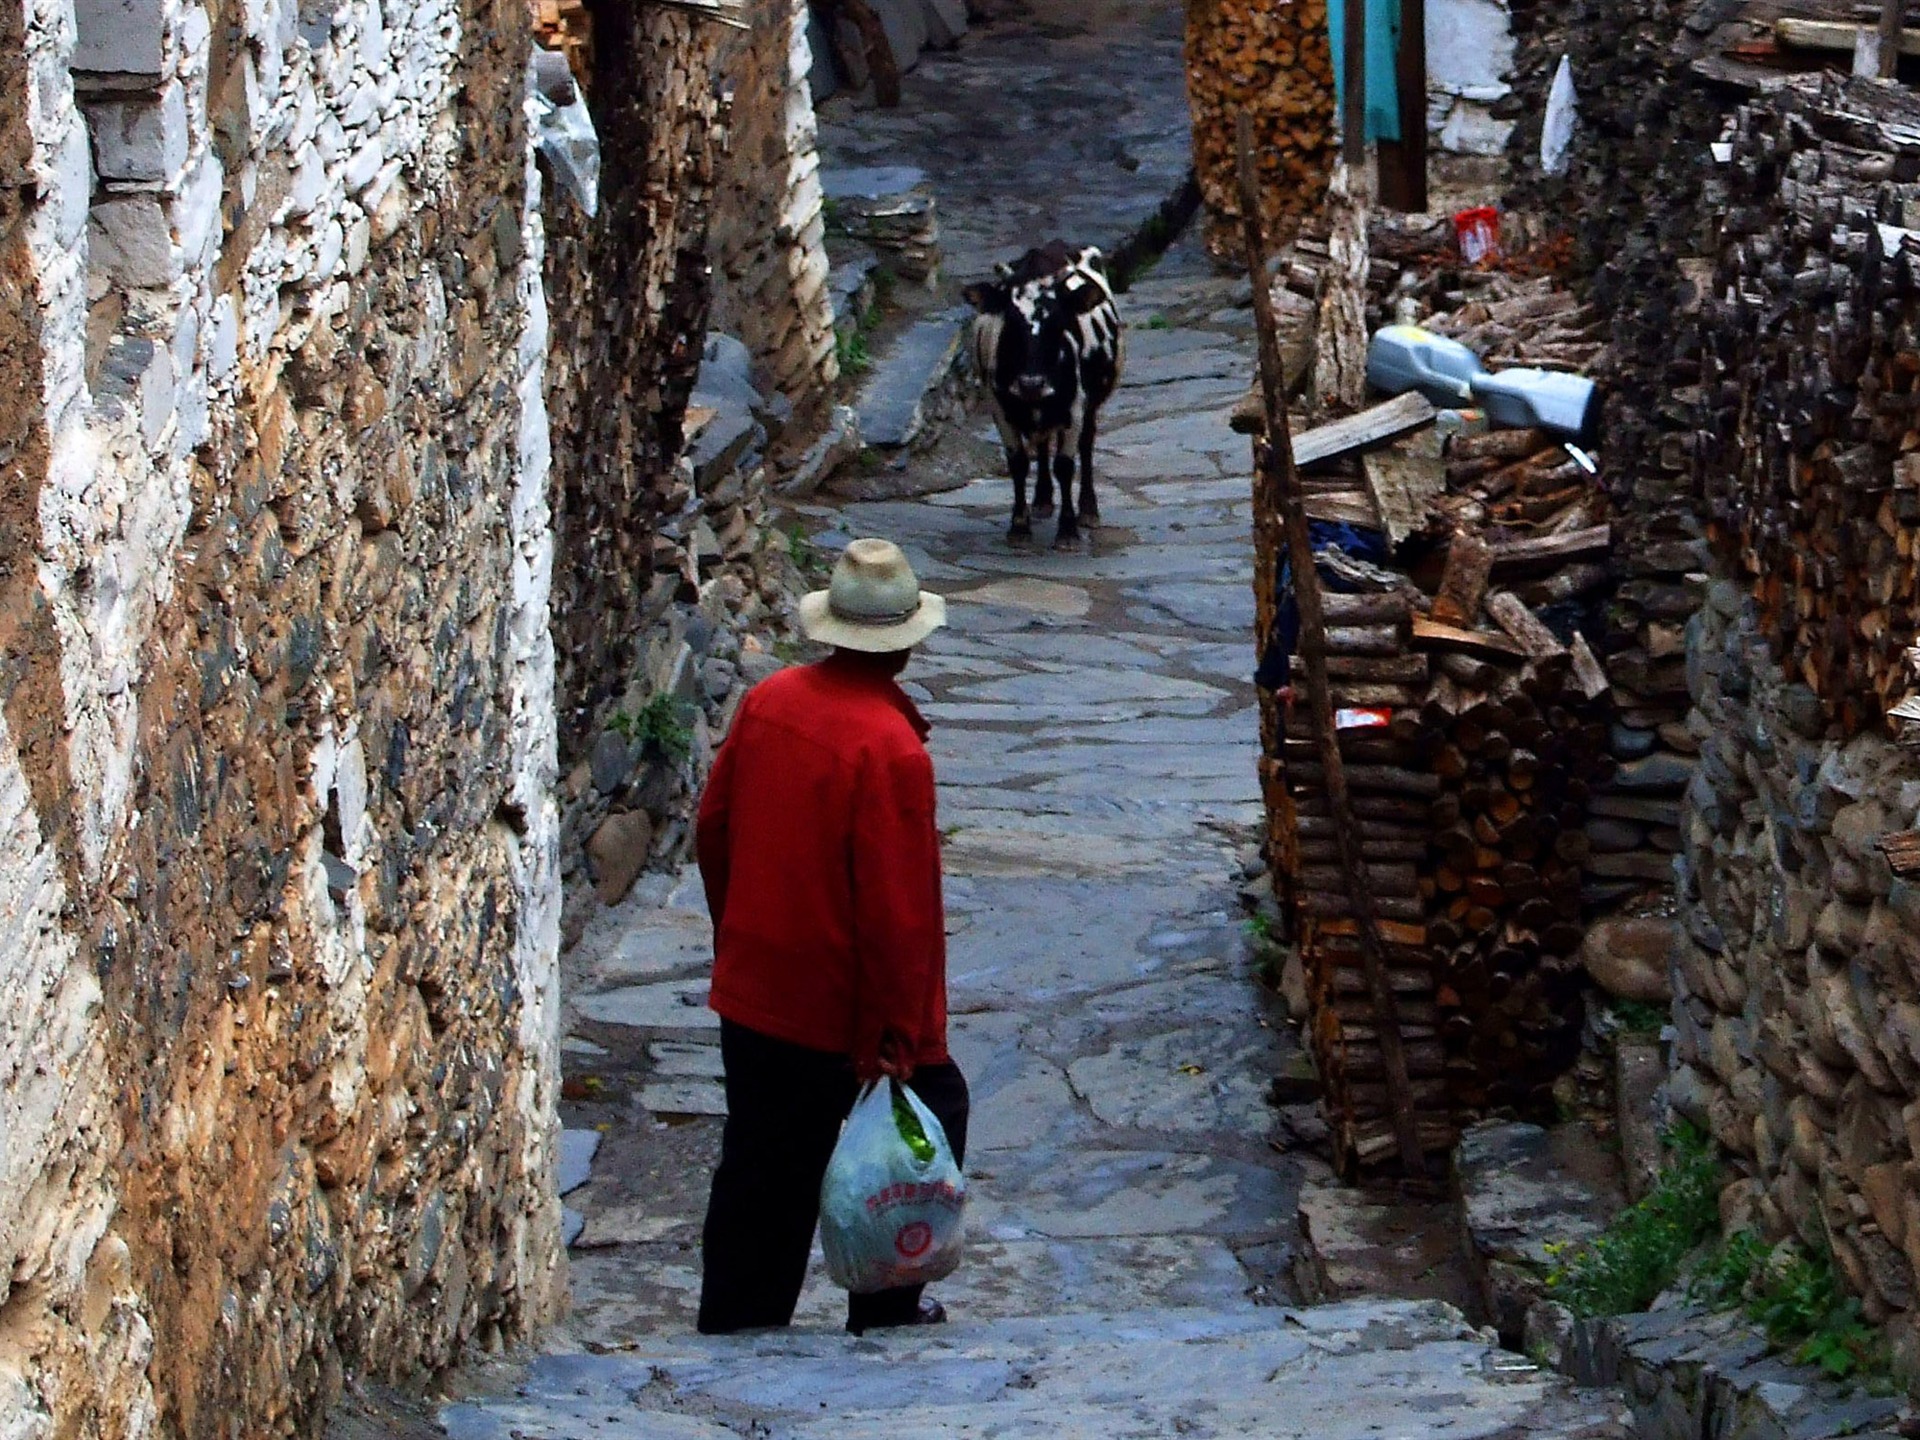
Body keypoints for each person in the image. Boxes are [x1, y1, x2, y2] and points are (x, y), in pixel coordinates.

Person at [694, 537, 968, 1336]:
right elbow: (896, 913)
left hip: (757, 989)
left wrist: (738, 934)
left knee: (759, 1166)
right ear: (908, 640)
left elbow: (714, 830)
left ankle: (737, 1323)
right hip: (838, 1008)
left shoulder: (769, 699)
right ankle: (885, 1303)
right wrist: (894, 1034)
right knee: (931, 1113)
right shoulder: (890, 751)